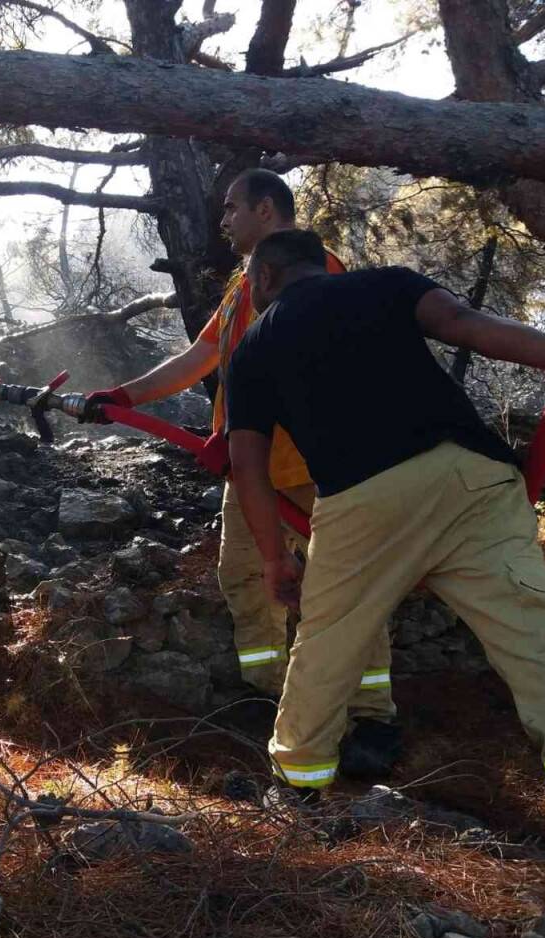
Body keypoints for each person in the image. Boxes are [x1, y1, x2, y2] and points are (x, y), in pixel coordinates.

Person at [226, 228, 545, 796]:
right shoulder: (386, 284)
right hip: (471, 478)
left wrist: (276, 559)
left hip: (364, 501)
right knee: (535, 633)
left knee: (326, 646)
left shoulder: (255, 345)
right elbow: (467, 326)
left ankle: (298, 786)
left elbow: (247, 467)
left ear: (266, 277)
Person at [85, 170, 397, 763]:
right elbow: (201, 356)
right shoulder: (244, 287)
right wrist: (123, 398)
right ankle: (278, 697)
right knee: (245, 578)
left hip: (316, 465)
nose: (223, 221)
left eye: (231, 209)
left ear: (265, 209)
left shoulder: (316, 271)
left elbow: (330, 366)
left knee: (342, 587)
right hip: (250, 469)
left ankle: (371, 717)